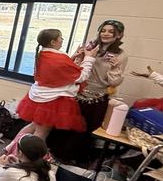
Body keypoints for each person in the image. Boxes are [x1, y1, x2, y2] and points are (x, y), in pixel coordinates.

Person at [47, 20, 128, 163]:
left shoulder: (120, 55)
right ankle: (52, 156)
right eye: (103, 30)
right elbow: (72, 68)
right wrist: (78, 55)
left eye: (111, 32)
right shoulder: (90, 46)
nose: (106, 34)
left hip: (97, 98)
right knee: (63, 127)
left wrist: (114, 67)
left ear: (119, 35)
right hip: (76, 93)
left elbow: (114, 82)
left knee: (84, 132)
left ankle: (71, 162)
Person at [14, 28, 97, 142]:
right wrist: (89, 58)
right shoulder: (58, 58)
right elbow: (80, 77)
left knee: (33, 127)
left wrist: (72, 58)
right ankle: (30, 157)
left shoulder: (42, 54)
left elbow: (58, 71)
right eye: (60, 37)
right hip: (51, 101)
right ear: (53, 42)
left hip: (39, 97)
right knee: (41, 133)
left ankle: (11, 148)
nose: (62, 40)